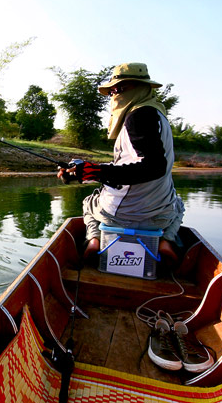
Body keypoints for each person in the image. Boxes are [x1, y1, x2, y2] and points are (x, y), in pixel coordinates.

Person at [57, 62, 184, 265]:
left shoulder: (138, 117)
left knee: (90, 203)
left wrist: (95, 172)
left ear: (143, 87)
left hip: (120, 216)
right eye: (112, 91)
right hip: (159, 217)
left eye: (121, 88)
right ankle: (166, 241)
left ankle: (94, 240)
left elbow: (153, 167)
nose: (115, 94)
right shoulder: (158, 116)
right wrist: (85, 171)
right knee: (177, 203)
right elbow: (133, 165)